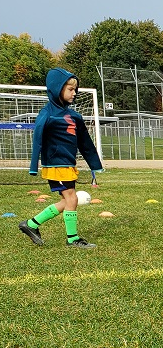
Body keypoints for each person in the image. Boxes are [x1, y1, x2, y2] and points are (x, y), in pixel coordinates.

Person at [19, 68, 103, 249]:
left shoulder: (75, 116)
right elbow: (37, 139)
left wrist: (95, 164)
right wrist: (34, 166)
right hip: (55, 164)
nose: (75, 93)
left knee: (67, 201)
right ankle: (73, 239)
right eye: (70, 89)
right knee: (72, 199)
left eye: (75, 89)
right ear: (57, 89)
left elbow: (85, 142)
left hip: (67, 164)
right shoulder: (47, 114)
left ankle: (31, 224)